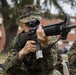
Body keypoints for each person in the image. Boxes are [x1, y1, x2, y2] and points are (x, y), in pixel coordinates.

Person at [3, 5, 62, 75]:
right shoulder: (18, 40)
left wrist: (46, 46)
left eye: (36, 22)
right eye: (28, 24)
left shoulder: (49, 37)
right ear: (21, 26)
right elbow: (7, 68)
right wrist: (21, 53)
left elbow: (50, 67)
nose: (33, 27)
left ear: (40, 22)